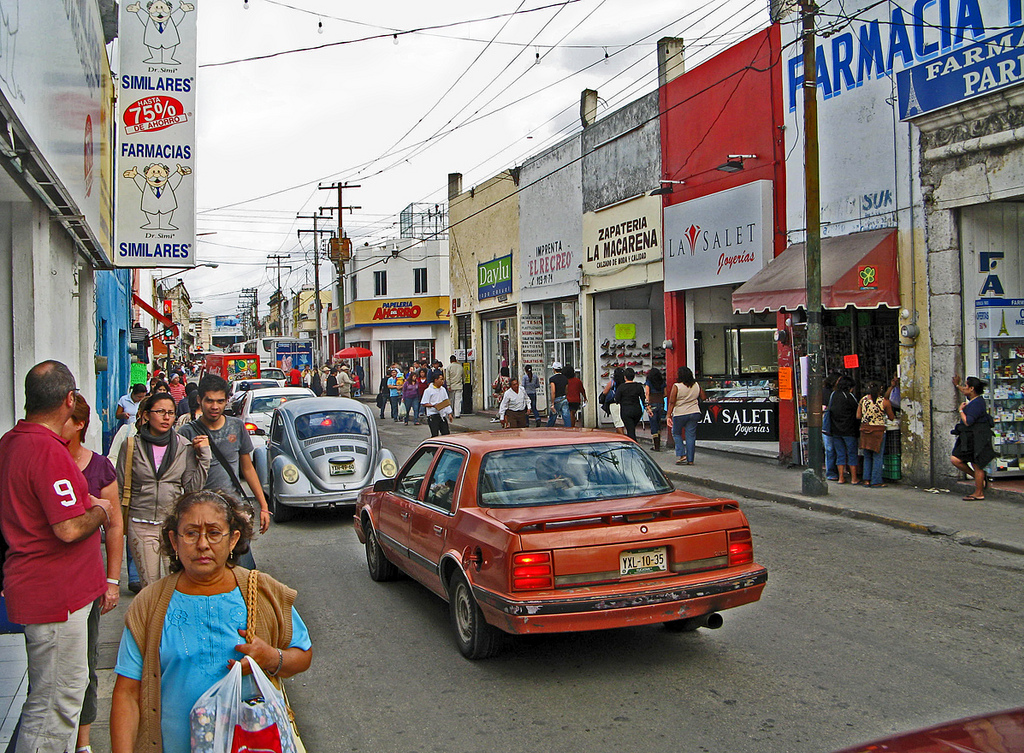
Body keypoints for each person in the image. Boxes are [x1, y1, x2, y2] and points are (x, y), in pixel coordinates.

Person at [110, 491, 313, 753]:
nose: (203, 544)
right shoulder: (149, 605)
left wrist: (271, 658)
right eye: (191, 533)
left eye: (214, 533)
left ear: (233, 539)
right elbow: (127, 693)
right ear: (174, 540)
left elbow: (303, 655)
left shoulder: (261, 592)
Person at [0, 361, 114, 753]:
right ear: (70, 400)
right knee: (56, 704)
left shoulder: (13, 442)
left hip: (45, 591)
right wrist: (100, 510)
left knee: (55, 697)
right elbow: (66, 527)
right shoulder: (46, 450)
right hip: (56, 596)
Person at [62, 394, 123, 753]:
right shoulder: (46, 461)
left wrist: (112, 582)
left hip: (87, 580)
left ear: (80, 424)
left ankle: (83, 742)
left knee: (86, 662)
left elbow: (114, 526)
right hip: (51, 583)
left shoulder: (99, 467)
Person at [117, 392, 211, 588]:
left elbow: (192, 488)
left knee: (175, 584)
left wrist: (204, 457)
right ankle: (153, 619)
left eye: (170, 412)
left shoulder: (183, 446)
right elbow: (120, 485)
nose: (166, 417)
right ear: (146, 415)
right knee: (150, 586)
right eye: (160, 412)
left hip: (173, 525)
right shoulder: (132, 445)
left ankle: (172, 619)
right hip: (141, 522)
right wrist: (116, 524)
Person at [177, 375, 272, 549]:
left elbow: (248, 469)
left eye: (220, 401)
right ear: (199, 400)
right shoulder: (186, 433)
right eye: (209, 401)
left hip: (232, 509)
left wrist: (264, 507)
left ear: (227, 401)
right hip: (200, 513)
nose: (215, 407)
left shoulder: (236, 426)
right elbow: (180, 478)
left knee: (241, 568)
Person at [950, 375, 995, 501]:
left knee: (977, 465)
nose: (964, 388)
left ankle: (979, 492)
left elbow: (968, 421)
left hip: (977, 437)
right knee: (956, 459)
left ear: (972, 389)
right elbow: (964, 391)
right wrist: (957, 385)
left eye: (966, 386)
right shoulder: (974, 399)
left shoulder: (977, 403)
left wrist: (961, 411)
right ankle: (978, 478)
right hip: (970, 437)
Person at [857, 381, 896, 488]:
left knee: (867, 456)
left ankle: (866, 480)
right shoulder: (884, 401)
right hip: (878, 431)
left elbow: (858, 416)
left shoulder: (863, 400)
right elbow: (891, 417)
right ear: (880, 390)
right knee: (878, 456)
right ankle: (876, 480)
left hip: (865, 430)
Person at [667, 366, 704, 465]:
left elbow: (671, 402)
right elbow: (703, 397)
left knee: (676, 433)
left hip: (680, 413)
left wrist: (668, 415)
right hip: (695, 412)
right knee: (690, 436)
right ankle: (690, 460)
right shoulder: (696, 385)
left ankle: (682, 454)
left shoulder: (677, 386)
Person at [829, 375, 861, 484]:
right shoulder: (849, 397)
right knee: (852, 453)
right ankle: (853, 478)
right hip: (849, 430)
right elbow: (857, 412)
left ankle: (841, 478)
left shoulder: (833, 396)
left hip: (836, 430)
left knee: (840, 454)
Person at [615, 368, 647, 441]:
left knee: (630, 430)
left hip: (626, 410)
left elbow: (617, 399)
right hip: (637, 410)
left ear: (625, 377)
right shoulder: (638, 386)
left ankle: (633, 444)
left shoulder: (621, 387)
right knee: (632, 428)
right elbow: (643, 399)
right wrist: (647, 408)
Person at [822, 373, 842, 482]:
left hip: (835, 423)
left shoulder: (837, 393)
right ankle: (830, 472)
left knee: (835, 448)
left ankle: (837, 470)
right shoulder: (827, 393)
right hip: (828, 423)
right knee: (830, 449)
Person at [420, 372, 453, 437]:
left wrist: (449, 414)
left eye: (443, 379)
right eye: (441, 379)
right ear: (436, 380)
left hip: (442, 415)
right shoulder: (428, 391)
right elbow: (424, 403)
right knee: (435, 434)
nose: (442, 381)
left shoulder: (443, 390)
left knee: (446, 434)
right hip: (433, 415)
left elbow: (446, 402)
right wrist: (433, 405)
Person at [645, 368, 666, 452]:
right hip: (660, 403)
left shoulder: (649, 382)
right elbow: (666, 393)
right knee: (658, 423)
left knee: (653, 424)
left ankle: (656, 445)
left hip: (652, 403)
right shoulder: (662, 383)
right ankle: (659, 443)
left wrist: (647, 405)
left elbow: (647, 393)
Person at [600, 367, 626, 435]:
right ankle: (622, 437)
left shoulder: (612, 382)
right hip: (624, 403)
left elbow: (605, 392)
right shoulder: (625, 382)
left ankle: (622, 439)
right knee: (622, 423)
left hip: (614, 404)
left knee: (618, 423)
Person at [546, 363, 571, 428]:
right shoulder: (565, 378)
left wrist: (552, 403)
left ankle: (548, 429)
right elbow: (566, 389)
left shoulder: (552, 379)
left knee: (553, 416)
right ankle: (569, 429)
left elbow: (553, 391)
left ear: (554, 369)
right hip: (564, 398)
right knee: (566, 415)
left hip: (557, 399)